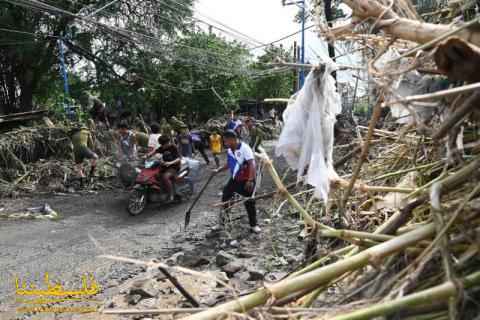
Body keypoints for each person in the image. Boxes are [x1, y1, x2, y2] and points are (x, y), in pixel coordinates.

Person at [215, 130, 261, 233]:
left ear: (232, 139)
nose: (224, 143)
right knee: (225, 198)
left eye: (226, 141)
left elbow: (252, 164)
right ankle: (222, 223)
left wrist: (250, 180)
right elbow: (229, 164)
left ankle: (253, 225)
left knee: (249, 202)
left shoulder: (245, 148)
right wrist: (219, 170)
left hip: (246, 180)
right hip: (235, 179)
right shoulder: (230, 150)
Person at [146, 135, 181, 202]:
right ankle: (162, 191)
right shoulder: (162, 147)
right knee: (154, 175)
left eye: (165, 144)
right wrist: (147, 155)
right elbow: (154, 151)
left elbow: (179, 159)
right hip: (165, 166)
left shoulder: (173, 147)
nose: (164, 146)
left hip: (174, 166)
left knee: (165, 177)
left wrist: (170, 163)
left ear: (168, 142)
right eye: (162, 144)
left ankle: (171, 195)